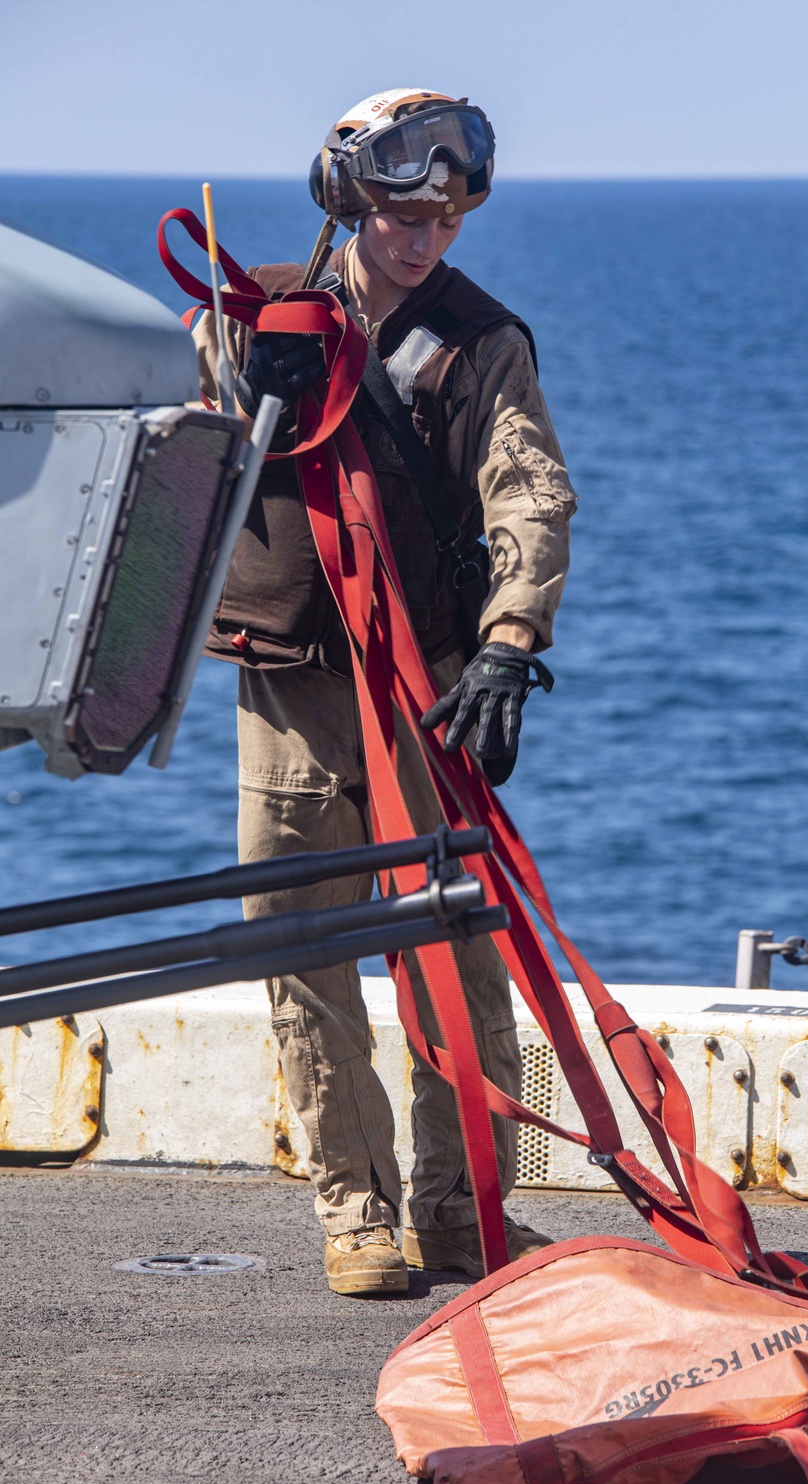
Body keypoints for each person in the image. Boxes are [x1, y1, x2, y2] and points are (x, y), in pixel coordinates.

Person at [193, 88, 578, 1296]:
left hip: (431, 687)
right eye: (405, 213)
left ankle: (464, 1216)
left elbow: (528, 487)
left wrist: (511, 640)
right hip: (289, 688)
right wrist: (254, 377)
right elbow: (178, 468)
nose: (424, 239)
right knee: (303, 952)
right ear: (353, 200)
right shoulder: (249, 315)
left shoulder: (480, 341)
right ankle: (355, 1217)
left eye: (447, 219)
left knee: (458, 959)